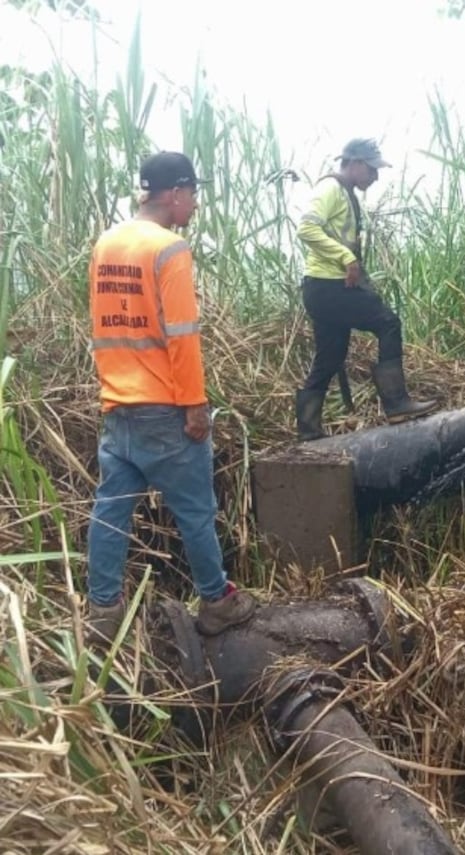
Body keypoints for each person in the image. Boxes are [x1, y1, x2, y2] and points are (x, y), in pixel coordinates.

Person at [85, 151, 257, 642]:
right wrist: (195, 406)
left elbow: (106, 325)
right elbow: (182, 336)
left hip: (118, 407)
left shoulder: (107, 242)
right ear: (176, 193)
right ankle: (216, 601)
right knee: (196, 510)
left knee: (111, 512)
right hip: (165, 408)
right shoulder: (169, 248)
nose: (196, 205)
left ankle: (102, 612)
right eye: (193, 194)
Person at [293, 137, 436, 441]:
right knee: (388, 322)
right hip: (328, 287)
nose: (375, 176)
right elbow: (306, 227)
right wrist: (345, 257)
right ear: (355, 163)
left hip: (321, 289)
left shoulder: (345, 193)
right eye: (371, 169)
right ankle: (397, 403)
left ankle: (308, 431)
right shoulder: (330, 189)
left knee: (330, 357)